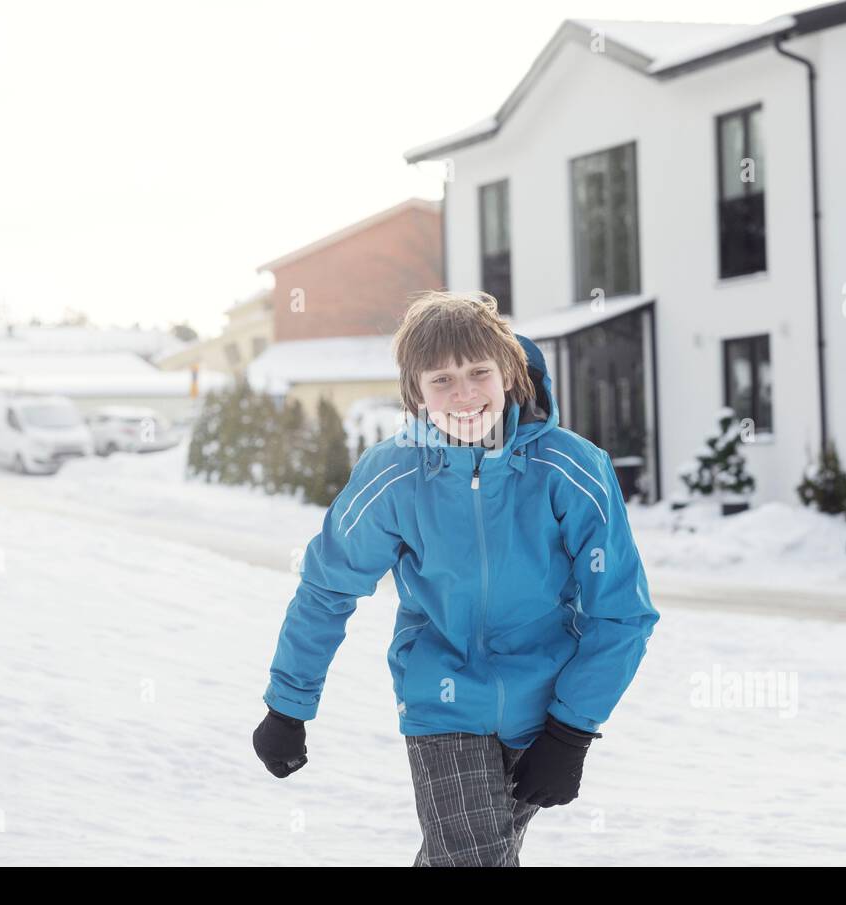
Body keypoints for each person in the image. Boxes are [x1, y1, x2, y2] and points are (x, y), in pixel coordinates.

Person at [252, 290, 662, 865]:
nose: (464, 395)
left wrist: (572, 730)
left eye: (478, 373)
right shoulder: (392, 475)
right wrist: (287, 707)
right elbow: (328, 588)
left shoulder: (570, 468)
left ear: (510, 374)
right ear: (414, 391)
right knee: (470, 858)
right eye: (440, 380)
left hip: (545, 706)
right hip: (440, 698)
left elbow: (621, 611)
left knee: (473, 855)